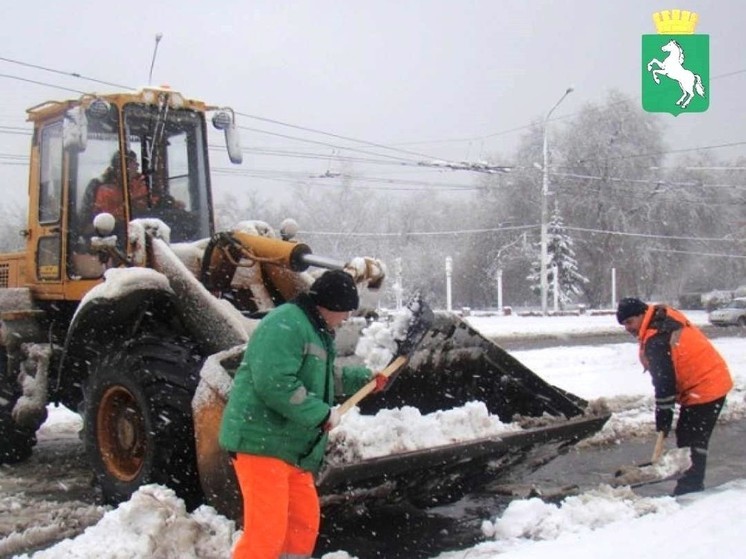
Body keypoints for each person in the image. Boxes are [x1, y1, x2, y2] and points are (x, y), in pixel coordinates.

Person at [219, 270, 388, 559]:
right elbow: (275, 383)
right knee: (266, 535)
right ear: (330, 306)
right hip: (261, 443)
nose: (346, 318)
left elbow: (320, 377)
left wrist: (364, 379)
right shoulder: (285, 324)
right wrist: (321, 414)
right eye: (345, 312)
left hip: (293, 449)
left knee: (302, 525)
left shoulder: (316, 329)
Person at [616, 297, 733, 496]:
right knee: (687, 435)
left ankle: (690, 489)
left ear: (642, 314)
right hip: (707, 379)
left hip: (705, 386)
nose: (627, 328)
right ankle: (689, 481)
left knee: (693, 440)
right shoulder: (661, 315)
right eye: (623, 324)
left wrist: (663, 418)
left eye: (629, 322)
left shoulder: (656, 339)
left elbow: (664, 385)